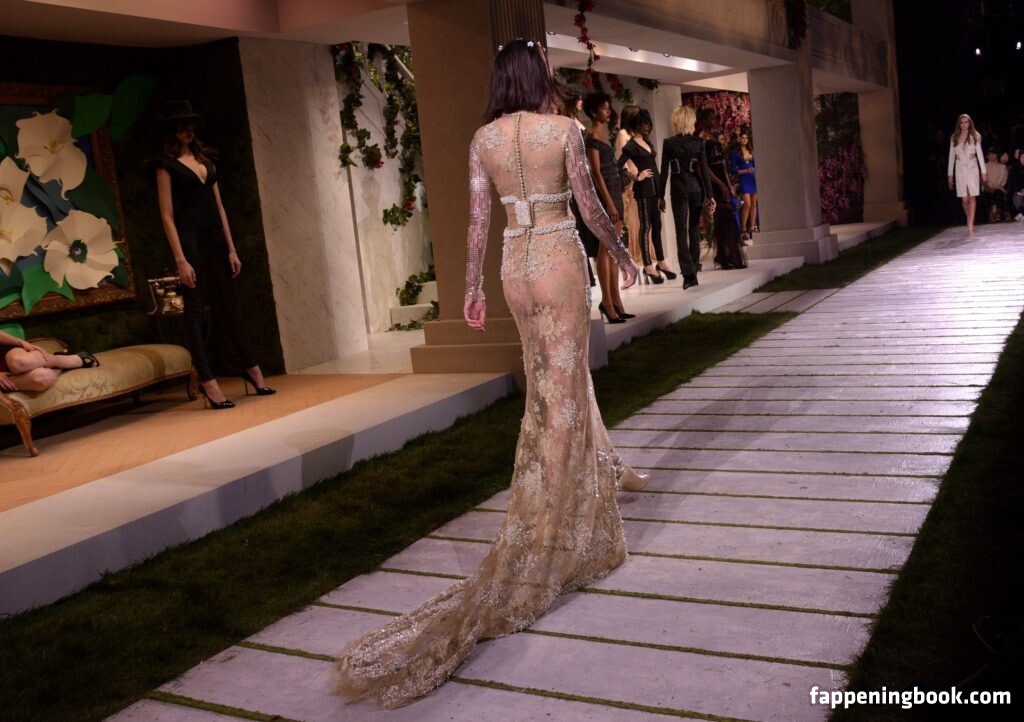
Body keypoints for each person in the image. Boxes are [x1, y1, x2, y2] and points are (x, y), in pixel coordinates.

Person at [335, 38, 644, 709]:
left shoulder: (484, 140)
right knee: (562, 398)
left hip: (514, 269)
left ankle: (594, 483)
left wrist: (470, 289)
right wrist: (623, 251)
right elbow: (589, 208)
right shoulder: (562, 131)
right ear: (537, 76)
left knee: (549, 392)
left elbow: (478, 221)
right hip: (558, 259)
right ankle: (548, 536)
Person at [154, 100, 275, 409]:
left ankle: (251, 369)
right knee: (194, 310)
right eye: (182, 126)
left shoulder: (206, 161)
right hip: (190, 239)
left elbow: (220, 207)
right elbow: (167, 215)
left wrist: (231, 248)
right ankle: (207, 381)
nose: (188, 130)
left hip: (215, 239)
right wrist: (180, 259)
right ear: (173, 130)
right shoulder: (166, 165)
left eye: (191, 125)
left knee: (231, 306)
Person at [582, 91, 634, 322]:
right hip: (606, 198)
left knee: (614, 249)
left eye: (608, 107)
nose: (608, 111)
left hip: (615, 194)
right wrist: (610, 202)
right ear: (594, 111)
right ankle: (607, 302)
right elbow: (596, 173)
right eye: (604, 108)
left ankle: (616, 301)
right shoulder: (592, 135)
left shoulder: (602, 134)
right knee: (606, 249)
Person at [618, 108, 675, 283]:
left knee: (657, 225)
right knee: (646, 227)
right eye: (644, 123)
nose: (647, 126)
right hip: (643, 190)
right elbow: (618, 165)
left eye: (648, 123)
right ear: (636, 124)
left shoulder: (647, 142)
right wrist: (636, 177)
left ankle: (661, 262)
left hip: (655, 189)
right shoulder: (631, 145)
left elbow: (655, 167)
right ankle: (648, 266)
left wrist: (661, 195)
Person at [659, 105, 713, 289]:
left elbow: (664, 171)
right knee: (694, 230)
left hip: (679, 190)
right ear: (691, 121)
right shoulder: (698, 143)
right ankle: (693, 272)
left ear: (676, 121)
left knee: (681, 231)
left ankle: (688, 275)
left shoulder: (669, 143)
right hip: (696, 188)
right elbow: (704, 170)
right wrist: (710, 195)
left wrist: (660, 196)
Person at [698, 108, 746, 269]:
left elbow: (722, 165)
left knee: (727, 217)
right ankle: (727, 256)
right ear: (704, 120)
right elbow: (705, 167)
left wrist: (729, 185)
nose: (714, 121)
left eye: (715, 118)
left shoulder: (714, 136)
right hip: (713, 181)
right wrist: (720, 184)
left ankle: (725, 256)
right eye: (711, 118)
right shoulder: (702, 139)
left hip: (722, 178)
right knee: (723, 216)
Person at [0, 329, 97, 393]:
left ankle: (62, 360)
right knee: (45, 378)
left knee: (20, 362)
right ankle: (62, 367)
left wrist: (21, 343)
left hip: (5, 354)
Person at [946, 113, 987, 236]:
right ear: (959, 124)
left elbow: (980, 154)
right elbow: (951, 157)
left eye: (966, 122)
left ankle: (970, 225)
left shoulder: (975, 136)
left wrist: (984, 172)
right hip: (960, 169)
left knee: (972, 197)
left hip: (972, 167)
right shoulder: (954, 137)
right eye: (962, 122)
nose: (964, 124)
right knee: (964, 199)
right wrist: (950, 174)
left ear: (970, 123)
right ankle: (969, 217)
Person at [615, 105, 643, 263]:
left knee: (643, 218)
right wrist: (632, 180)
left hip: (641, 177)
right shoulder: (622, 134)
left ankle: (646, 252)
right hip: (632, 180)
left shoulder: (634, 134)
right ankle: (637, 253)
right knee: (634, 220)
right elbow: (622, 162)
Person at [729, 130, 758, 241]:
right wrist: (745, 171)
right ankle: (743, 229)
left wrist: (752, 161)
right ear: (739, 139)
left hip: (753, 179)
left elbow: (756, 165)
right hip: (744, 179)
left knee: (754, 203)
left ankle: (752, 228)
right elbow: (733, 170)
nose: (745, 140)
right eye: (742, 138)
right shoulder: (735, 153)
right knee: (747, 203)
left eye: (746, 138)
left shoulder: (751, 151)